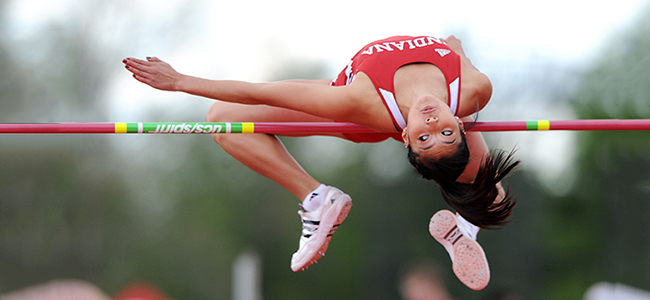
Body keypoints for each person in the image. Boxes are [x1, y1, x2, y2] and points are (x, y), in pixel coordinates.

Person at [122, 35, 519, 290]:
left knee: (222, 120)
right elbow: (456, 47)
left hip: (358, 116)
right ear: (457, 123)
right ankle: (470, 222)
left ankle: (315, 200)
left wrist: (180, 82)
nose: (432, 123)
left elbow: (262, 91)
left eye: (423, 136)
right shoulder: (473, 93)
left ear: (405, 137)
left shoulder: (357, 102)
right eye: (444, 132)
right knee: (489, 191)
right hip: (454, 103)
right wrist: (454, 53)